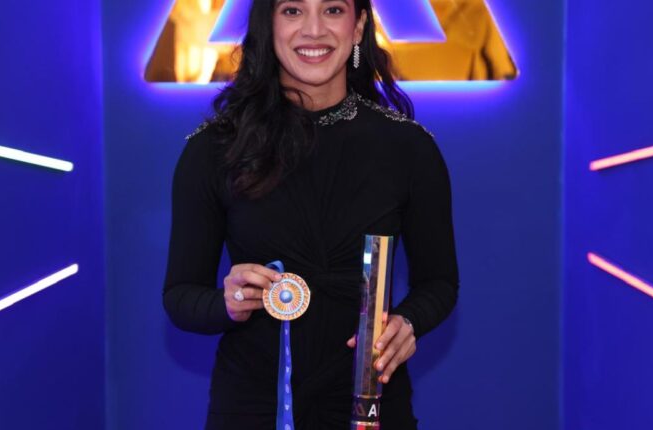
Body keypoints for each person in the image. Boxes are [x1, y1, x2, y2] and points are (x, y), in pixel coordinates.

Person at [163, 0, 459, 428]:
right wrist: (227, 304)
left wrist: (410, 322)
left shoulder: (409, 148)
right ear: (268, 24)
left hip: (370, 402)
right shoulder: (214, 149)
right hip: (253, 405)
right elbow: (180, 296)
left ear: (358, 26)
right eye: (293, 11)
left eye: (333, 10)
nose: (314, 29)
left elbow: (440, 282)